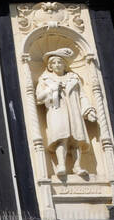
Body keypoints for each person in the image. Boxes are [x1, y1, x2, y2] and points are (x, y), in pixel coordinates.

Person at [35, 47, 97, 177]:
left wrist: (88, 110)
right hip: (57, 111)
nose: (57, 65)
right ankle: (61, 165)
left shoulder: (73, 78)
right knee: (61, 138)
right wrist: (51, 89)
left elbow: (82, 96)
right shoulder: (46, 79)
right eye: (54, 63)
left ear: (64, 64)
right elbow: (39, 98)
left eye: (60, 62)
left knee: (76, 139)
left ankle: (77, 166)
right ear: (50, 66)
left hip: (74, 111)